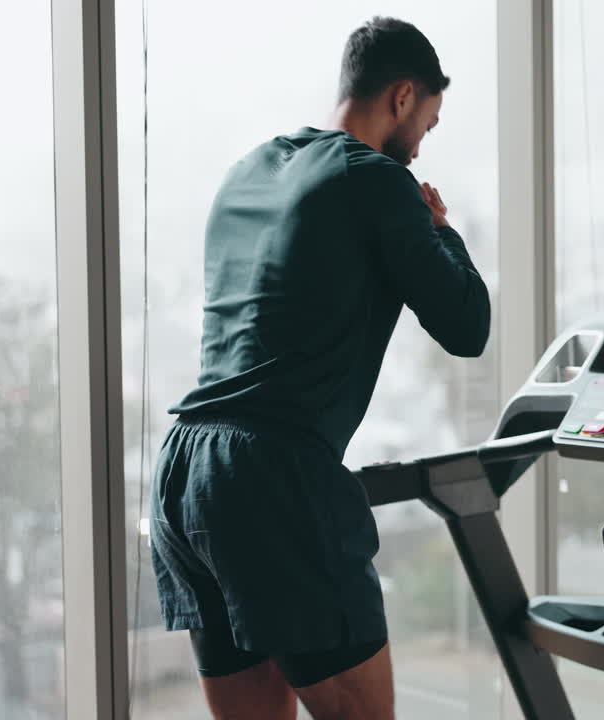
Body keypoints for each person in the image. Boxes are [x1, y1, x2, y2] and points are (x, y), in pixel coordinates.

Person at [149, 17, 489, 720]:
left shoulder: (247, 170)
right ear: (401, 96)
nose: (421, 145)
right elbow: (467, 326)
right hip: (273, 479)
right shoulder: (378, 180)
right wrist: (442, 230)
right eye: (427, 123)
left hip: (186, 476)